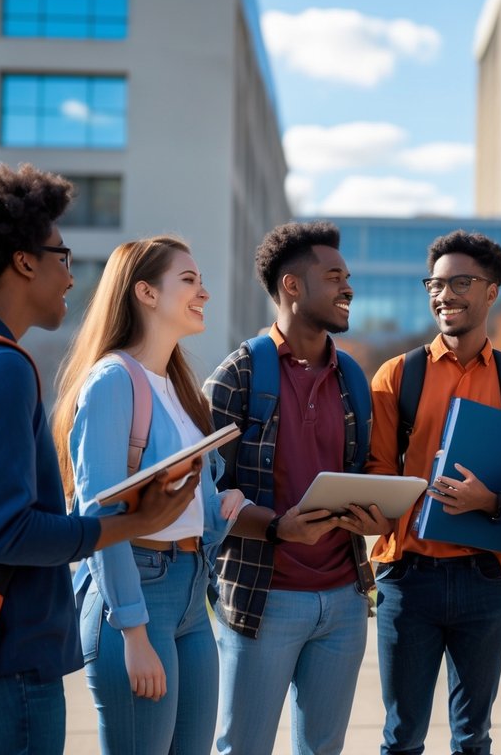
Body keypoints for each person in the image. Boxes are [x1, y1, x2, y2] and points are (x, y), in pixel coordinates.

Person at [0, 165, 198, 755]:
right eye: (61, 256)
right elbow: (8, 532)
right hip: (4, 667)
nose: (70, 276)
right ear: (23, 261)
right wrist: (134, 523)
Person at [52, 236, 252, 754]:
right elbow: (100, 516)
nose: (203, 292)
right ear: (144, 292)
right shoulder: (114, 382)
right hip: (137, 594)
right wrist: (132, 633)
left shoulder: (181, 389)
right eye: (189, 280)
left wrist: (221, 511)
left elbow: (184, 501)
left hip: (190, 592)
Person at [366, 230, 501, 755]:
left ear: (492, 292)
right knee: (401, 738)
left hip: (484, 579)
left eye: (460, 282)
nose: (445, 294)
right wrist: (397, 498)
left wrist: (490, 502)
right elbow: (378, 470)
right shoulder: (397, 377)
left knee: (473, 738)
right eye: (436, 284)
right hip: (408, 580)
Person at [205, 221, 377, 755]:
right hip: (263, 600)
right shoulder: (235, 377)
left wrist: (374, 513)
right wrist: (276, 526)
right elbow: (201, 496)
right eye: (333, 277)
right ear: (292, 286)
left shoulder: (352, 376)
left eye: (348, 277)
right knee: (243, 748)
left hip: (345, 601)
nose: (348, 288)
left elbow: (359, 469)